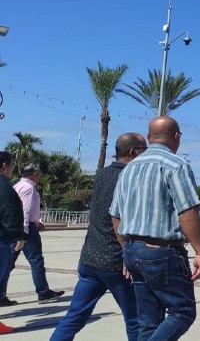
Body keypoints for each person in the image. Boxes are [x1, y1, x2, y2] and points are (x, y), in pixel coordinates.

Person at [110, 116, 200, 340]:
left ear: (148, 137)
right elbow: (187, 211)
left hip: (133, 250)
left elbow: (115, 215)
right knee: (182, 312)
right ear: (176, 137)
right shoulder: (176, 165)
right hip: (161, 251)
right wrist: (199, 250)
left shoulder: (129, 168)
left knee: (148, 322)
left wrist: (126, 248)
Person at [51, 134, 146, 341]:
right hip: (116, 262)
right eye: (144, 150)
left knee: (74, 316)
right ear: (133, 152)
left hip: (90, 259)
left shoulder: (102, 174)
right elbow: (125, 220)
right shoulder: (131, 177)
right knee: (135, 319)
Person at [12, 163, 65, 302]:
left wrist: (37, 222)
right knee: (36, 261)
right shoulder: (29, 188)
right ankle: (43, 291)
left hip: (16, 227)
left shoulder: (17, 186)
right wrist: (24, 232)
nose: (40, 177)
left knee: (8, 262)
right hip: (26, 229)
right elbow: (25, 211)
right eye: (39, 174)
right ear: (35, 174)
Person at [0, 151, 26, 334]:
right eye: (12, 165)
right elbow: (10, 214)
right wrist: (19, 236)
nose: (12, 169)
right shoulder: (5, 188)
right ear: (4, 166)